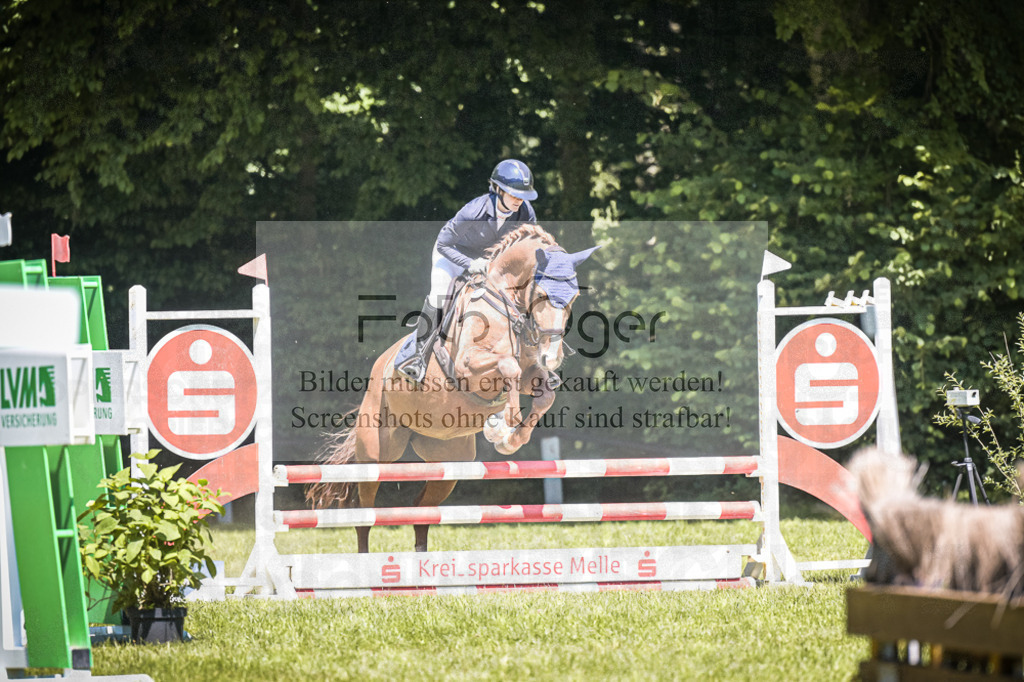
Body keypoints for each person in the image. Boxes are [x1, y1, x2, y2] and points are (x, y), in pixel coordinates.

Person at [398, 159, 538, 382]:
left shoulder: (525, 212)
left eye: (522, 196)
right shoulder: (474, 210)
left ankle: (534, 359)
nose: (519, 200)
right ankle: (416, 356)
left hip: (488, 263)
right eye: (514, 195)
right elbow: (444, 243)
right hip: (452, 254)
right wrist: (469, 264)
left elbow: (528, 246)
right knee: (440, 293)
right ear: (498, 189)